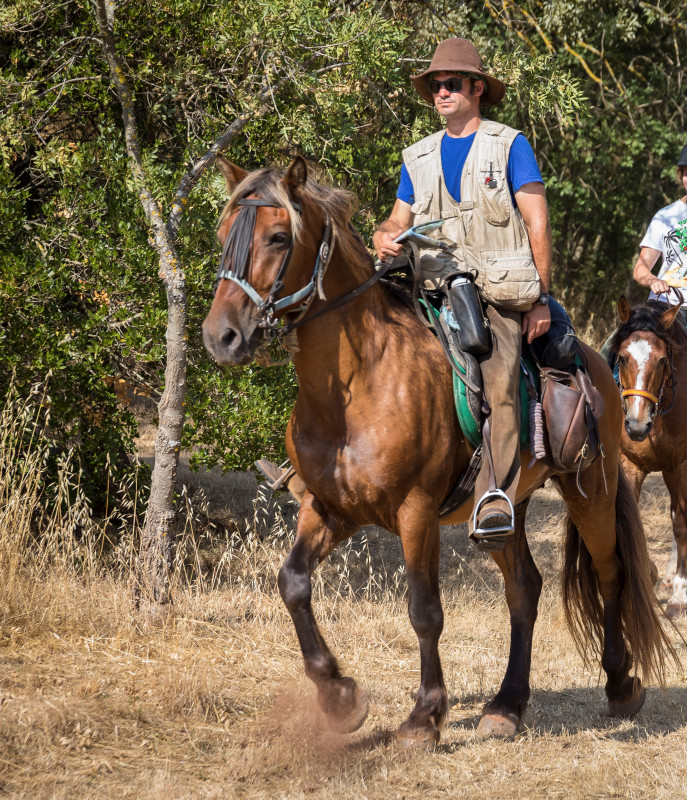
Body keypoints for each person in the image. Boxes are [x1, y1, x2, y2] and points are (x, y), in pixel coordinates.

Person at [372, 38, 552, 545]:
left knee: (497, 382)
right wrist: (384, 234)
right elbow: (397, 217)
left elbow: (537, 220)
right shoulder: (418, 155)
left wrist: (539, 299)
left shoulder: (509, 144)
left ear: (477, 89)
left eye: (451, 83)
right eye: (435, 85)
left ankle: (495, 496)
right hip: (429, 286)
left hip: (496, 293)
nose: (441, 92)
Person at [632, 144, 687, 304]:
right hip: (668, 303)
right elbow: (640, 269)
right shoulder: (665, 216)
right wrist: (652, 280)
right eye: (686, 173)